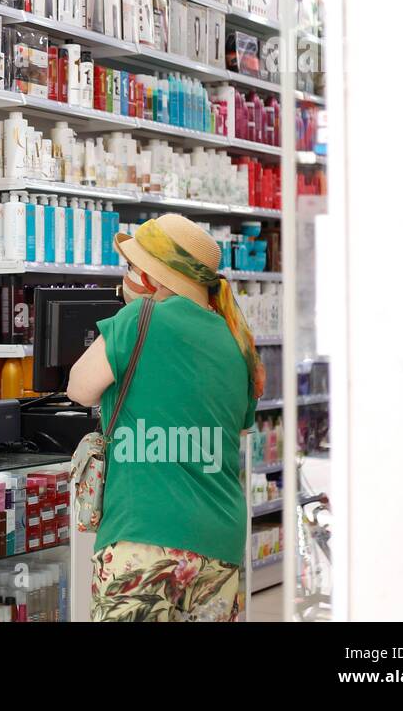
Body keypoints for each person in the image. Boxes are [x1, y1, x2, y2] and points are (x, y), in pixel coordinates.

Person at [66, 214, 265, 622]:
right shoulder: (237, 340)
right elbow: (238, 423)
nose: (126, 277)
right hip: (220, 542)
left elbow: (79, 387)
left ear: (153, 278)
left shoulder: (139, 319)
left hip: (143, 536)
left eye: (131, 267)